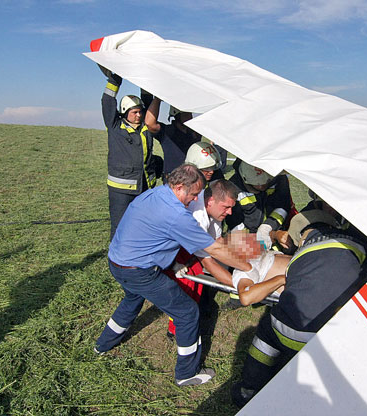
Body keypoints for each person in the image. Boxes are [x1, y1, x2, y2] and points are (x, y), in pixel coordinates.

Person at [94, 164, 260, 387]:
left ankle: (102, 345)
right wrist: (249, 270)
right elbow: (215, 251)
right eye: (193, 194)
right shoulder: (177, 215)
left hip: (117, 261)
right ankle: (186, 373)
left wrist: (172, 261)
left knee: (132, 300)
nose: (194, 199)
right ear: (180, 187)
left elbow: (148, 232)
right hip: (138, 270)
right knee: (187, 312)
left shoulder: (156, 194)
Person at [231, 214, 367, 407]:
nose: (249, 241)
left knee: (267, 332)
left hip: (303, 325)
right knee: (267, 333)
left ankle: (248, 388)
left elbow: (265, 234)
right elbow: (246, 296)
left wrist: (274, 235)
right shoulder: (245, 269)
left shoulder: (272, 252)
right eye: (242, 243)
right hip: (327, 332)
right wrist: (280, 280)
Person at [165, 178, 240, 337]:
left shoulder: (214, 213)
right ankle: (176, 330)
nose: (230, 212)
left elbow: (216, 242)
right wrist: (237, 283)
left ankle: (195, 312)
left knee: (196, 282)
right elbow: (208, 258)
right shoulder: (197, 217)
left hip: (189, 252)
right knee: (185, 287)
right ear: (211, 201)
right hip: (171, 254)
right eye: (226, 207)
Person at [101, 71, 161, 240]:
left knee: (142, 224)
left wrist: (144, 76)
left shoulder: (145, 128)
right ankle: (117, 260)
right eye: (134, 112)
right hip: (121, 190)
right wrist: (114, 80)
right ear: (124, 112)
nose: (139, 115)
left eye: (140, 112)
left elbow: (148, 102)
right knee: (120, 226)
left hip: (144, 187)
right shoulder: (115, 126)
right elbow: (107, 101)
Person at [145, 98, 201, 176]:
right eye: (186, 114)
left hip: (192, 177)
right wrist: (157, 100)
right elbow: (150, 123)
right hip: (173, 179)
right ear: (176, 115)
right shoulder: (167, 131)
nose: (190, 116)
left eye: (190, 113)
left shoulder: (194, 132)